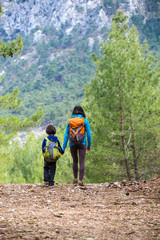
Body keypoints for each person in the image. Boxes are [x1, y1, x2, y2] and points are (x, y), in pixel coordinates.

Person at [62, 106, 91, 186]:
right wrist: (89, 145)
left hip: (72, 143)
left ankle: (75, 179)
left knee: (75, 161)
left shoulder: (69, 121)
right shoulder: (84, 121)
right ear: (82, 112)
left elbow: (66, 135)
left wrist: (63, 148)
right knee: (82, 161)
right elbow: (88, 134)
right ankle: (80, 180)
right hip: (82, 143)